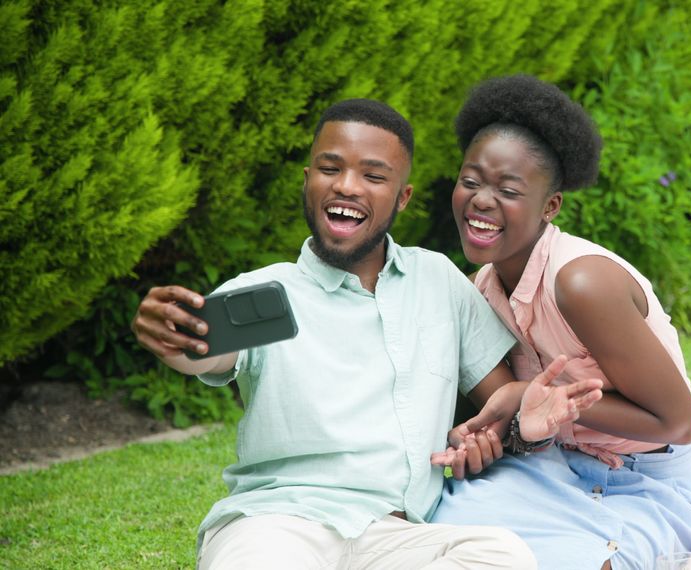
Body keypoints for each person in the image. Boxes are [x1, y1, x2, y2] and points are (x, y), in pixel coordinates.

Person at [131, 98, 602, 570]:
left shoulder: (438, 280)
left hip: (396, 536)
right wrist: (174, 339)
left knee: (503, 555)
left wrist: (513, 429)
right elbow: (204, 350)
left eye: (373, 176)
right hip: (278, 525)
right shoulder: (264, 292)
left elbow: (497, 407)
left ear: (402, 197)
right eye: (329, 168)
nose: (347, 186)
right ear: (308, 181)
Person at [430, 74, 691, 569]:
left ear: (550, 206)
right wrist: (478, 440)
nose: (480, 199)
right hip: (553, 464)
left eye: (508, 189)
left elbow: (680, 423)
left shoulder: (581, 283)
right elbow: (516, 424)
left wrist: (541, 403)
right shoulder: (483, 288)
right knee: (446, 537)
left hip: (642, 474)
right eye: (471, 181)